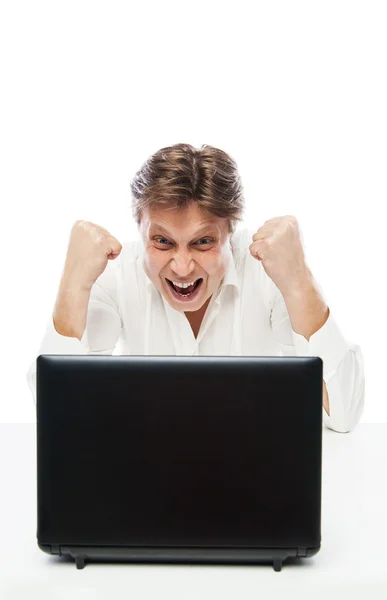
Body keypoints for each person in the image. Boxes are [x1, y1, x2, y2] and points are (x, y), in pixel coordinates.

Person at [26, 143, 365, 433]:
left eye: (203, 242)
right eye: (162, 242)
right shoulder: (117, 273)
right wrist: (72, 283)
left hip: (250, 476)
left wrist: (299, 280)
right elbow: (56, 417)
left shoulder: (266, 270)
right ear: (140, 231)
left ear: (230, 233)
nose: (182, 266)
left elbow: (343, 416)